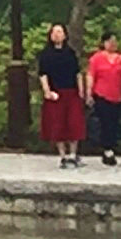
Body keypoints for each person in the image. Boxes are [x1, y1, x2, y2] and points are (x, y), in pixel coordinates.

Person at [35, 23, 85, 165]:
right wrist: (47, 91)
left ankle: (73, 154)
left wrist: (81, 90)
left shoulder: (70, 53)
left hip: (71, 91)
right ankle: (62, 155)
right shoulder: (46, 55)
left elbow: (77, 73)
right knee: (57, 124)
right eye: (54, 32)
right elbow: (43, 74)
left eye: (60, 32)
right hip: (56, 92)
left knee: (74, 123)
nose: (57, 35)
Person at [86, 29, 121, 165]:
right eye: (110, 41)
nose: (112, 44)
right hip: (101, 93)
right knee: (105, 122)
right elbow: (91, 75)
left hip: (117, 94)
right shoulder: (96, 58)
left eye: (114, 42)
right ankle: (107, 149)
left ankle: (111, 147)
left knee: (114, 123)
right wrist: (89, 92)